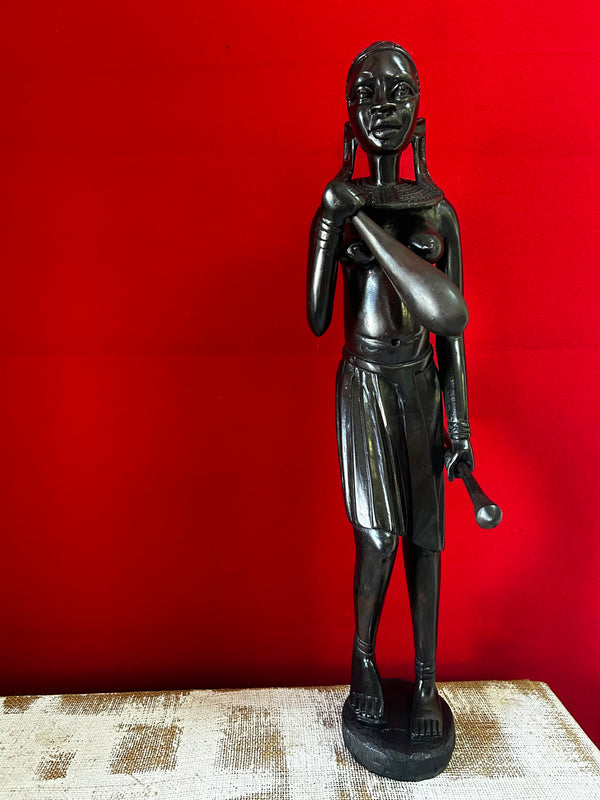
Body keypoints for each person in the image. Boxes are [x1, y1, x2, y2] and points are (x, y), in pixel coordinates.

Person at [307, 41, 474, 740]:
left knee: (425, 543)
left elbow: (453, 328)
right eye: (368, 93)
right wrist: (325, 225)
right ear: (350, 118)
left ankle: (428, 679)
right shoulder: (342, 205)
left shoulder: (437, 212)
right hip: (364, 385)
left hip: (420, 388)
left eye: (399, 93)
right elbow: (317, 319)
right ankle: (365, 658)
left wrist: (459, 426)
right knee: (376, 539)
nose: (384, 107)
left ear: (420, 118)